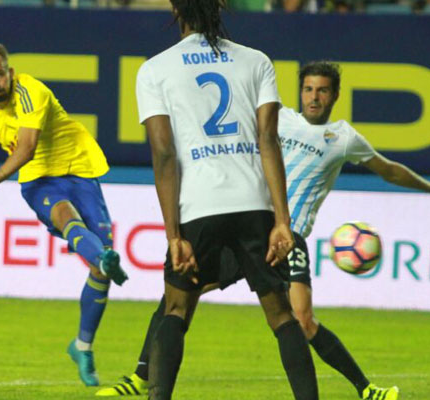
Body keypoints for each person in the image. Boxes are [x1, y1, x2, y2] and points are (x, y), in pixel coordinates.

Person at [96, 61, 430, 399]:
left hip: (289, 236)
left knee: (302, 319)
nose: (314, 97)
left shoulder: (343, 136)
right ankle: (141, 377)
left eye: (323, 90)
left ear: (335, 95)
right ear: (300, 92)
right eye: (309, 89)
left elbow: (388, 169)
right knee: (179, 296)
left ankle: (366, 388)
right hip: (251, 227)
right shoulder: (279, 120)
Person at [134, 1, 321, 399]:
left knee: (176, 310)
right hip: (253, 203)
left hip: (198, 206)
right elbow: (268, 141)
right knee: (282, 316)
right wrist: (282, 221)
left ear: (175, 9)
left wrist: (173, 235)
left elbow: (164, 155)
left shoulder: (155, 69)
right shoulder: (256, 61)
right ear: (219, 6)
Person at [0, 43, 129, 387]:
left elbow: (26, 146)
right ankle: (106, 260)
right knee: (68, 219)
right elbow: (27, 156)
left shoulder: (31, 90)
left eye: (0, 74)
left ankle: (82, 346)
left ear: (10, 71)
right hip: (38, 180)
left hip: (78, 168)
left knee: (98, 268)